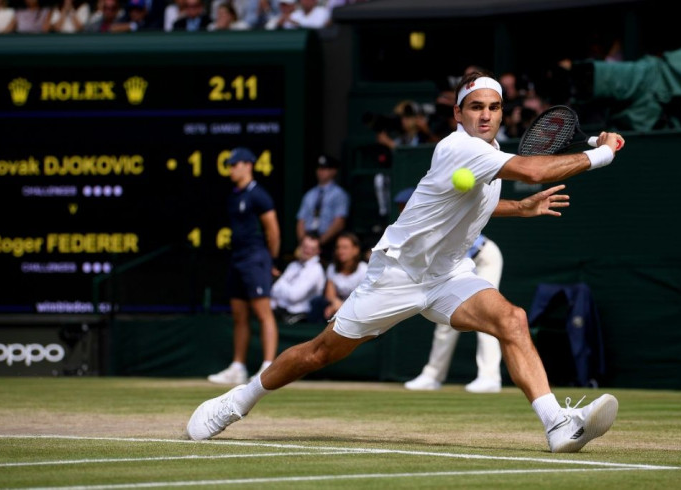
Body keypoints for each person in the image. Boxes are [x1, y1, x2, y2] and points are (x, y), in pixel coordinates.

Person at [187, 71, 625, 454]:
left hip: (449, 275)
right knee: (318, 353)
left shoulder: (489, 156)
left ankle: (557, 424)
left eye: (493, 107)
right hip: (397, 275)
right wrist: (602, 155)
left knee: (511, 319)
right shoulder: (459, 148)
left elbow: (474, 204)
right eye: (475, 107)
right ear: (458, 113)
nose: (486, 115)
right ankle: (237, 402)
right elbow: (534, 171)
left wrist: (520, 208)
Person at [206, 147, 281, 387]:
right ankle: (238, 367)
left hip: (255, 258)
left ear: (248, 165)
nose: (231, 169)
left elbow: (273, 231)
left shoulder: (259, 195)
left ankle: (269, 366)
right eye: (229, 165)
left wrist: (270, 260)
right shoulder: (234, 196)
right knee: (239, 315)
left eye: (235, 164)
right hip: (237, 259)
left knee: (263, 313)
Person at [405, 234, 504, 393]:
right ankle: (432, 376)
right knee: (445, 320)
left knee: (486, 316)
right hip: (458, 263)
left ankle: (490, 377)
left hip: (484, 258)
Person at [295, 154, 349, 262]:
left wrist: (319, 242)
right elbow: (301, 221)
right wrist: (304, 242)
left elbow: (339, 222)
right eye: (319, 168)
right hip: (308, 240)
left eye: (325, 169)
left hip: (328, 243)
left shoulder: (339, 194)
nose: (321, 172)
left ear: (334, 171)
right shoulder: (309, 194)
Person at [308, 231, 368, 324]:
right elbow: (330, 295)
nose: (340, 251)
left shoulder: (364, 269)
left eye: (345, 248)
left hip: (359, 311)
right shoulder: (332, 268)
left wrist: (341, 307)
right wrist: (336, 305)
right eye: (338, 247)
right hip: (337, 308)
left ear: (356, 250)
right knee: (318, 302)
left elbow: (364, 299)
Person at [270, 233, 326, 325]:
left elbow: (294, 296)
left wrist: (281, 280)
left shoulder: (316, 270)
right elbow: (274, 290)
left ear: (318, 251)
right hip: (280, 311)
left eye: (312, 249)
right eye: (305, 246)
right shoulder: (293, 265)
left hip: (301, 318)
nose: (307, 251)